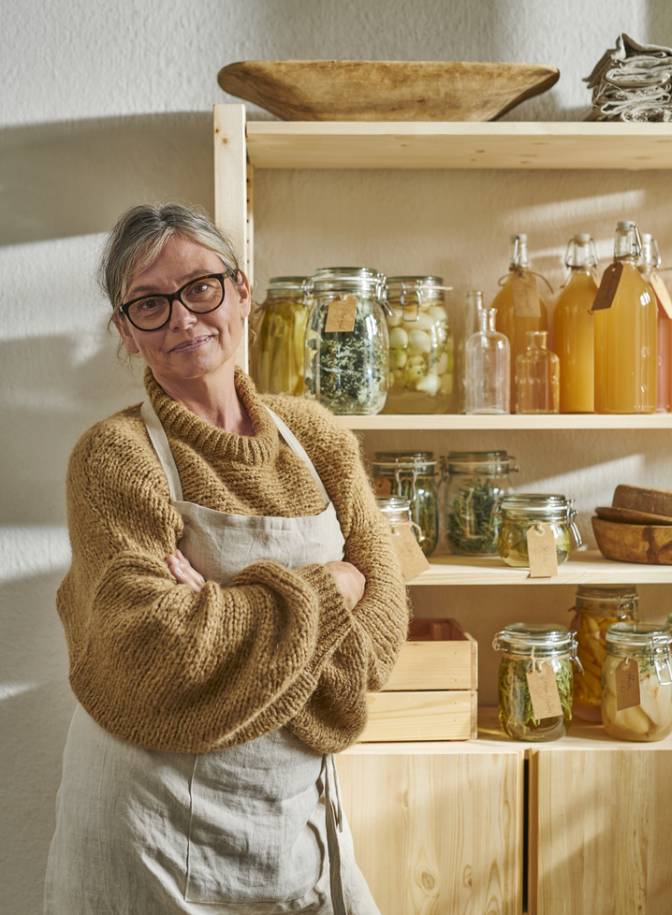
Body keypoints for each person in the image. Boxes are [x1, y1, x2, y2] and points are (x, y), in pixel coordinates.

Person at [43, 202, 410, 914]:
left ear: (243, 291)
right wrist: (335, 584)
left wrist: (220, 604)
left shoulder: (319, 439)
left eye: (200, 288)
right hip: (149, 827)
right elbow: (153, 653)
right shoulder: (114, 457)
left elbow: (379, 643)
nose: (182, 319)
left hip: (290, 816)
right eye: (149, 303)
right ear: (125, 330)